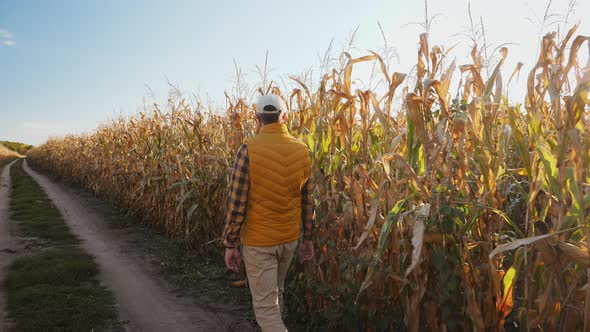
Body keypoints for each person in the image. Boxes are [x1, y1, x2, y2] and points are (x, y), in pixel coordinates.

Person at [221, 94, 315, 332]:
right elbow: (308, 201)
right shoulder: (302, 151)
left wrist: (230, 243)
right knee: (276, 294)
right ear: (284, 117)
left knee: (265, 309)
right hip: (289, 240)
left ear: (257, 118)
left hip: (259, 242)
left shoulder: (248, 150)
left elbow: (236, 203)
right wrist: (308, 240)